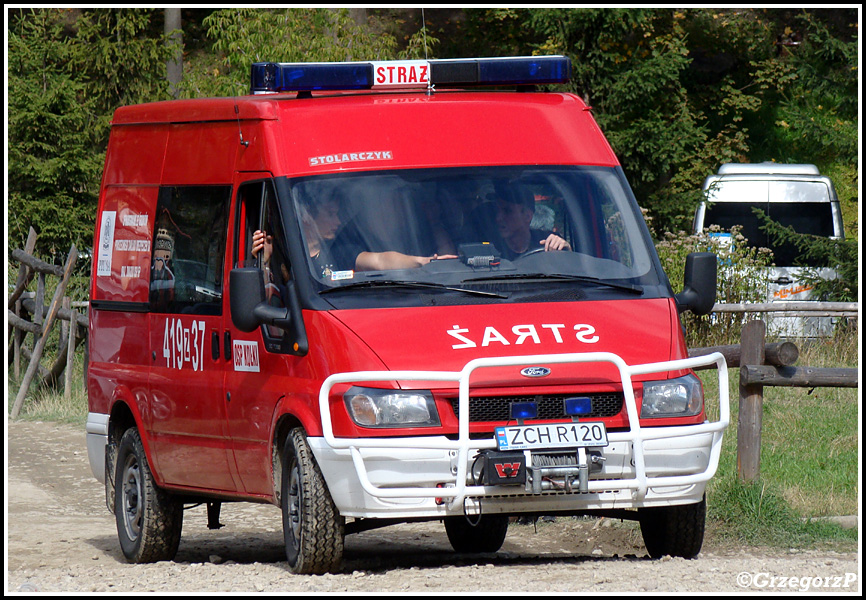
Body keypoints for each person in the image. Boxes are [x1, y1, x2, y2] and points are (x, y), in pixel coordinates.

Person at [494, 191, 570, 261]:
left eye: (507, 211)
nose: (498, 218)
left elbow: (570, 270)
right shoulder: (490, 248)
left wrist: (567, 252)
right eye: (497, 210)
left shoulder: (547, 240)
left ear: (527, 216)